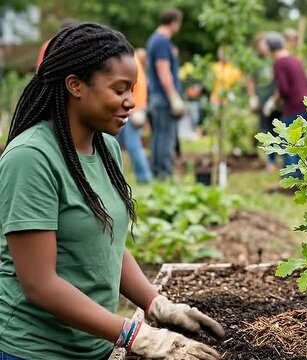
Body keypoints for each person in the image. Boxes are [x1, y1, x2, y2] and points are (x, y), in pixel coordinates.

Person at [0, 23, 224, 360]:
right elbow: (39, 283)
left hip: (94, 344)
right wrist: (137, 335)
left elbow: (104, 246)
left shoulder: (106, 147)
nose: (131, 102)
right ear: (75, 85)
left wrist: (155, 303)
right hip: (34, 349)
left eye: (132, 89)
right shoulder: (31, 158)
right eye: (119, 89)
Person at [264, 31, 307, 174]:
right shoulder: (295, 59)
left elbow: (283, 89)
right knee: (303, 142)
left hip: (294, 105)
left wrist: (273, 102)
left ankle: (293, 179)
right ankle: (305, 176)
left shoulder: (279, 63)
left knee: (290, 142)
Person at [146, 8, 184, 180]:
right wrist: (173, 97)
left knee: (158, 135)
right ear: (174, 22)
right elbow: (163, 71)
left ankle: (156, 172)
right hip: (163, 97)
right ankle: (164, 174)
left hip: (156, 96)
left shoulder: (155, 40)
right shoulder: (162, 42)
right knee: (165, 137)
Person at [116, 47, 152, 183]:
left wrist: (133, 109)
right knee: (118, 145)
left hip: (132, 111)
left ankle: (144, 178)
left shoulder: (129, 61)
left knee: (133, 145)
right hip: (135, 109)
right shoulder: (134, 61)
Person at [247, 33, 280, 172]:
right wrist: (252, 96)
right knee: (267, 131)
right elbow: (251, 79)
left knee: (280, 130)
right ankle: (270, 161)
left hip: (277, 100)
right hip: (262, 99)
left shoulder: (275, 58)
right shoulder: (255, 61)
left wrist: (275, 99)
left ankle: (283, 159)